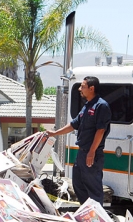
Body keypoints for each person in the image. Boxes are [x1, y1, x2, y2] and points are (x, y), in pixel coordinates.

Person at [47, 76, 111, 205]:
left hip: (92, 154)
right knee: (77, 184)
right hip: (81, 153)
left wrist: (92, 152)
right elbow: (73, 124)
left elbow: (100, 131)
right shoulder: (87, 106)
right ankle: (87, 211)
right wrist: (55, 133)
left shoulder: (101, 106)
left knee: (93, 187)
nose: (80, 89)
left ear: (91, 88)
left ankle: (97, 218)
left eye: (83, 86)